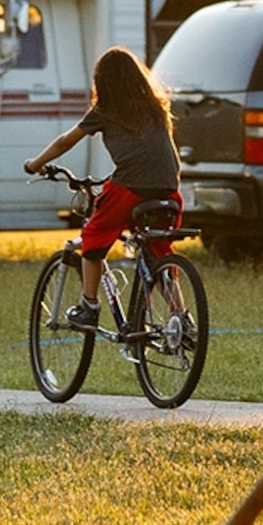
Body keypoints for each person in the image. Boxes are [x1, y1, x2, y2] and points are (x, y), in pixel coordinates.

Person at [25, 46, 183, 331]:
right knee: (159, 250)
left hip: (130, 189)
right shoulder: (156, 107)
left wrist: (34, 164)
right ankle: (181, 318)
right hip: (169, 190)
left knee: (94, 237)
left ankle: (89, 306)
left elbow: (65, 141)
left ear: (103, 83)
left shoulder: (107, 110)